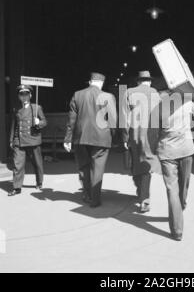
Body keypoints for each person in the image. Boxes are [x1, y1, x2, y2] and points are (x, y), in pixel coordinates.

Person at [64, 72, 117, 208]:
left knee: (84, 167)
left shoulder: (77, 95)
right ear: (101, 83)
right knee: (97, 168)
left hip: (81, 137)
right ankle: (95, 199)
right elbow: (112, 120)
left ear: (90, 82)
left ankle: (87, 194)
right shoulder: (108, 96)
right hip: (101, 137)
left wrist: (68, 138)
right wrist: (112, 135)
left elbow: (71, 120)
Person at [157, 89, 194, 240]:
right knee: (184, 185)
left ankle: (177, 229)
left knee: (172, 190)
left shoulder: (159, 107)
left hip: (167, 151)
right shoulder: (187, 103)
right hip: (186, 150)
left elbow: (153, 131)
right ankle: (180, 211)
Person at [121, 71, 160, 213]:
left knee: (136, 163)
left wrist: (125, 138)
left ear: (138, 81)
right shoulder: (155, 93)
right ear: (149, 81)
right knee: (146, 165)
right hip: (151, 135)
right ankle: (144, 199)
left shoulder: (129, 92)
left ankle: (140, 191)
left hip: (134, 134)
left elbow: (124, 117)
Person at [8, 84, 47, 196]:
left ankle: (39, 182)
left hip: (33, 139)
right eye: (21, 94)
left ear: (30, 95)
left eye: (26, 94)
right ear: (19, 96)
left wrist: (38, 122)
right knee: (17, 164)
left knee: (37, 163)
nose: (24, 97)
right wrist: (12, 139)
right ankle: (17, 187)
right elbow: (14, 125)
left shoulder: (36, 108)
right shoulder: (16, 109)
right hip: (19, 140)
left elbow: (45, 122)